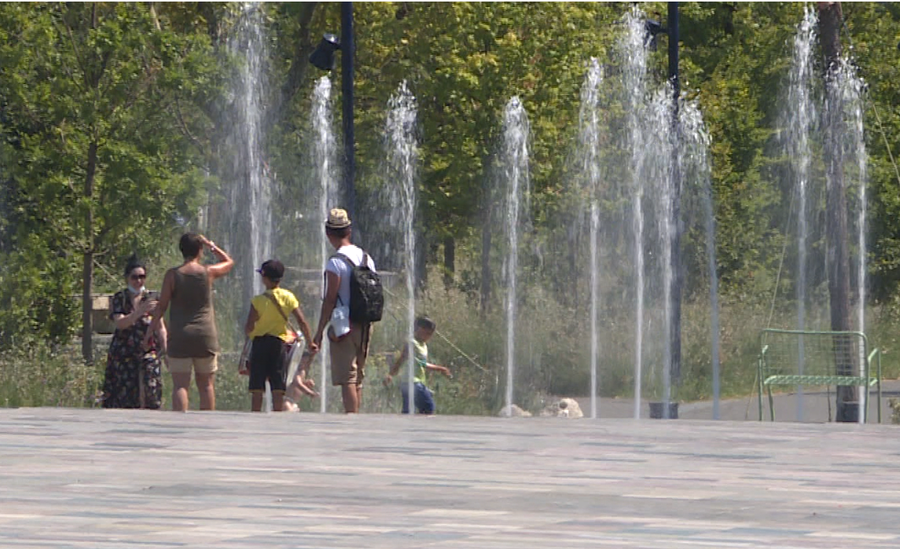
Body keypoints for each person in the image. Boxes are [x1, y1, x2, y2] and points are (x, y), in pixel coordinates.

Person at [146, 233, 233, 412]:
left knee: (180, 385)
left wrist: (150, 331)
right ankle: (206, 426)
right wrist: (212, 245)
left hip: (180, 336)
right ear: (200, 250)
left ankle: (180, 425)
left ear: (181, 250)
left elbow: (161, 306)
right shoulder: (208, 272)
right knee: (207, 385)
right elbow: (229, 262)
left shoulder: (172, 275)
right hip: (204, 335)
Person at [312, 208, 376, 414]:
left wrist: (319, 332)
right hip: (365, 323)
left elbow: (330, 299)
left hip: (344, 326)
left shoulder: (336, 262)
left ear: (328, 233)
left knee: (347, 377)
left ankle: (351, 419)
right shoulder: (366, 258)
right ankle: (356, 417)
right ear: (348, 230)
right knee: (358, 377)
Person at [244, 259, 317, 412]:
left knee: (257, 386)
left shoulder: (257, 301)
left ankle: (255, 415)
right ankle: (277, 416)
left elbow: (249, 327)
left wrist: (252, 332)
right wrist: (310, 342)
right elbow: (302, 321)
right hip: (278, 344)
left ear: (264, 278)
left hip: (259, 344)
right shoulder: (288, 297)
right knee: (278, 385)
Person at [101, 256, 167, 409]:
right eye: (134, 277)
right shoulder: (120, 298)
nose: (139, 281)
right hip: (124, 352)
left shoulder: (151, 298)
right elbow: (120, 323)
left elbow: (160, 326)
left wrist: (165, 349)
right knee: (124, 394)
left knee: (151, 388)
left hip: (147, 349)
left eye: (142, 277)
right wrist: (139, 312)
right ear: (127, 278)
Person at [384, 316, 451, 415]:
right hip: (412, 382)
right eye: (427, 333)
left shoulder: (423, 345)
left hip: (416, 382)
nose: (429, 337)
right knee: (428, 406)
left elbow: (421, 364)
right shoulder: (412, 343)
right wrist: (391, 374)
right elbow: (402, 359)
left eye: (430, 334)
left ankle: (406, 428)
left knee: (407, 410)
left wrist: (440, 369)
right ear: (419, 329)